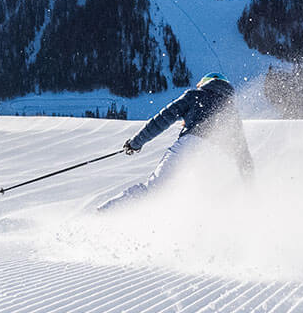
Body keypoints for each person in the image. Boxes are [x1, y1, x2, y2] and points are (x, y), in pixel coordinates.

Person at [99, 72, 256, 210]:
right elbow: (242, 153)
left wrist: (135, 143)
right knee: (199, 201)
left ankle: (105, 213)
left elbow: (161, 120)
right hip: (213, 157)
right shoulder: (231, 110)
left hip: (191, 145)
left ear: (204, 83)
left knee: (154, 190)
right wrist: (250, 187)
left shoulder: (195, 95)